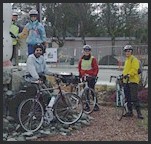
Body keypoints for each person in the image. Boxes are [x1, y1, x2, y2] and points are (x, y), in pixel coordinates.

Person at [122, 45, 144, 119]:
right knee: (127, 97)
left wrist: (128, 75)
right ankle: (130, 112)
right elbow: (126, 70)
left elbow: (134, 69)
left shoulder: (134, 59)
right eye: (126, 51)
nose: (127, 52)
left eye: (129, 51)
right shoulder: (127, 60)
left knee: (134, 97)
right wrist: (123, 75)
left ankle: (139, 113)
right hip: (126, 81)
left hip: (133, 81)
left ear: (131, 52)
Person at [78, 44, 99, 111]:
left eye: (88, 51)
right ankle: (87, 105)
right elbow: (79, 67)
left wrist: (94, 75)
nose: (87, 52)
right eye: (85, 50)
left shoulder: (93, 59)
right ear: (83, 51)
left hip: (91, 77)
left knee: (92, 91)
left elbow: (96, 68)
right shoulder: (81, 59)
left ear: (90, 51)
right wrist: (80, 75)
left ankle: (96, 104)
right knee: (85, 92)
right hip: (84, 77)